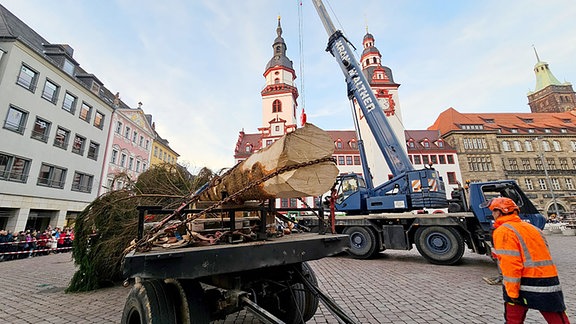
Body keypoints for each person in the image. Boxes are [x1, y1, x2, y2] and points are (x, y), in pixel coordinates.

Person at [484, 197, 570, 323]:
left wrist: (512, 293)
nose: (492, 214)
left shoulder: (503, 231)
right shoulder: (533, 228)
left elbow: (511, 264)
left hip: (523, 283)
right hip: (548, 280)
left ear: (499, 212)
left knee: (513, 320)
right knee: (557, 318)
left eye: (493, 211)